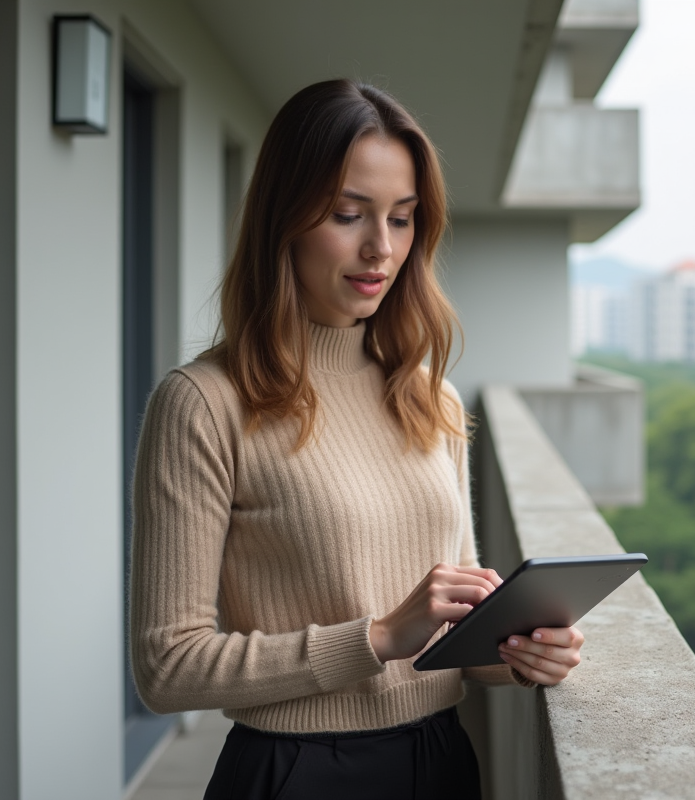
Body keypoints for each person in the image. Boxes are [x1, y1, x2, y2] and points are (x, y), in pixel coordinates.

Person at [128, 79, 585, 800]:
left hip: (440, 763)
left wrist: (522, 654)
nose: (381, 248)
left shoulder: (430, 396)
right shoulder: (202, 404)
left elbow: (454, 633)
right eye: (348, 214)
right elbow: (167, 667)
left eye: (403, 219)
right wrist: (374, 638)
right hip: (293, 774)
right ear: (284, 218)